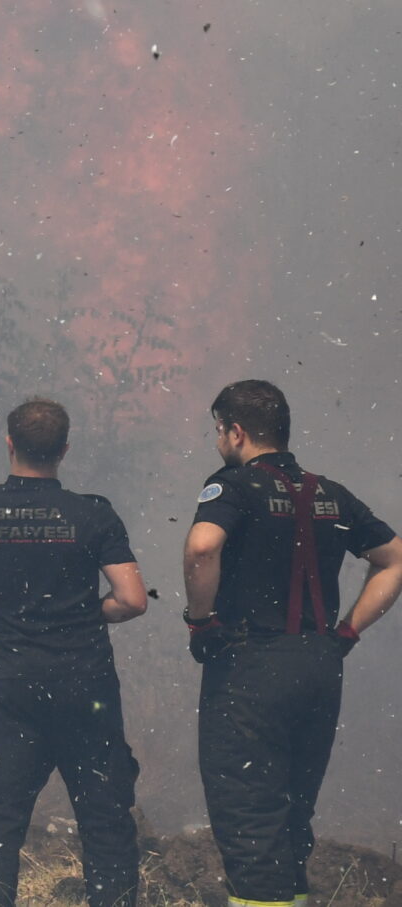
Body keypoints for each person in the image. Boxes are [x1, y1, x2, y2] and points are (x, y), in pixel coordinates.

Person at [183, 380, 402, 907]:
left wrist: (200, 621)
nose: (217, 442)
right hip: (320, 667)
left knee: (249, 818)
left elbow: (201, 547)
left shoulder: (232, 486)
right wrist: (347, 631)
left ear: (236, 432)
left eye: (218, 431)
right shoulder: (332, 492)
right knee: (291, 815)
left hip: (250, 668)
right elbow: (394, 559)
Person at [0, 398, 149, 907]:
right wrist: (85, 610)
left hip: (11, 685)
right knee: (104, 819)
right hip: (85, 684)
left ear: (9, 442)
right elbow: (131, 599)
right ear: (65, 449)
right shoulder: (94, 514)